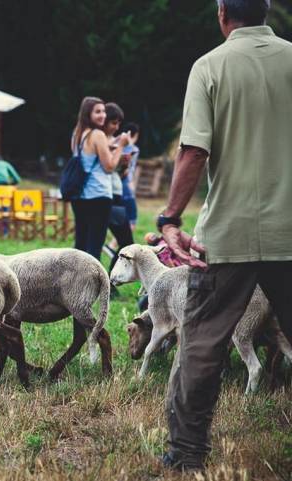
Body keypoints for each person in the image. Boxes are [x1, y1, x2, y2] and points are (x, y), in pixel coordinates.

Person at [158, 0, 292, 472]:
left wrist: (170, 218)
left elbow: (194, 150)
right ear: (268, 11)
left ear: (222, 14)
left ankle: (187, 452)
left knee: (203, 341)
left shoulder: (209, 67)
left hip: (227, 235)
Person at [69, 97, 129, 260]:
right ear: (88, 113)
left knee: (81, 244)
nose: (103, 115)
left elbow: (87, 157)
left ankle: (74, 282)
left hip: (80, 195)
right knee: (95, 245)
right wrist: (122, 145)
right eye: (98, 112)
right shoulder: (97, 134)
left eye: (103, 111)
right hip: (99, 196)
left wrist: (109, 148)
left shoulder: (78, 133)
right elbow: (109, 167)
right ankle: (94, 283)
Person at [103, 103, 134, 274]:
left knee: (126, 242)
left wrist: (124, 166)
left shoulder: (112, 141)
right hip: (105, 197)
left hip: (116, 194)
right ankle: (109, 280)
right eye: (113, 122)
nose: (116, 127)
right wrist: (119, 148)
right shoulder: (102, 141)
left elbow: (115, 173)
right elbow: (106, 167)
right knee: (126, 241)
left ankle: (109, 278)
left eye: (118, 123)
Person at [120, 122, 140, 230]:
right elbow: (128, 170)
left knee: (121, 216)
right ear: (135, 135)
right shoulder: (134, 150)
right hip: (125, 184)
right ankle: (113, 245)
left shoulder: (116, 145)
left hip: (115, 186)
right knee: (132, 219)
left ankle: (112, 245)